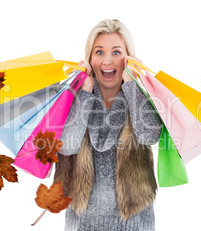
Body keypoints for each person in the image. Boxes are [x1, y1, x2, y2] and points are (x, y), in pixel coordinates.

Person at [54, 19, 163, 231]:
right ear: (90, 58)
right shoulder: (74, 97)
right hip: (82, 223)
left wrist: (132, 83)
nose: (107, 61)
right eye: (99, 52)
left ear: (128, 58)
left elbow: (150, 135)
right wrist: (85, 91)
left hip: (134, 222)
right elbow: (67, 146)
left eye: (116, 52)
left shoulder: (139, 95)